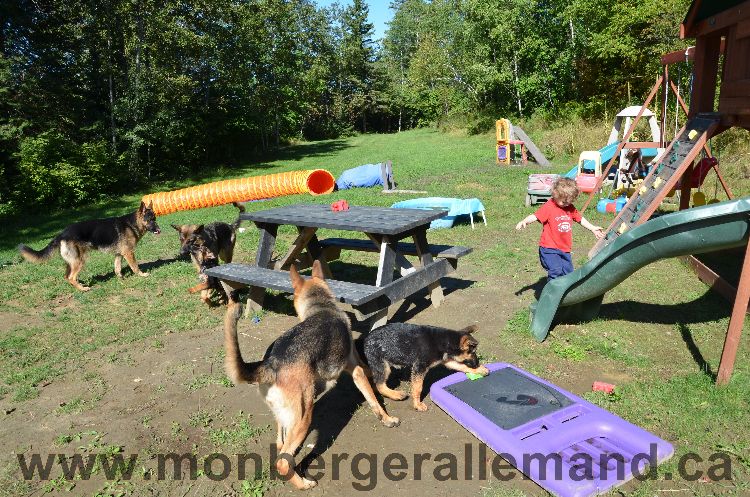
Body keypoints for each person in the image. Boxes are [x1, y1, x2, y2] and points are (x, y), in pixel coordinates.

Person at [516, 178, 604, 280]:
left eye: (569, 202)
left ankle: (567, 293)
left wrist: (592, 228)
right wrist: (525, 221)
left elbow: (580, 219)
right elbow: (536, 216)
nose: (566, 204)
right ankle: (552, 292)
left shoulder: (570, 208)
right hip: (549, 248)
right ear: (555, 194)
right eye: (564, 202)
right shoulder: (550, 206)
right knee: (556, 270)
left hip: (565, 248)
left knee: (568, 273)